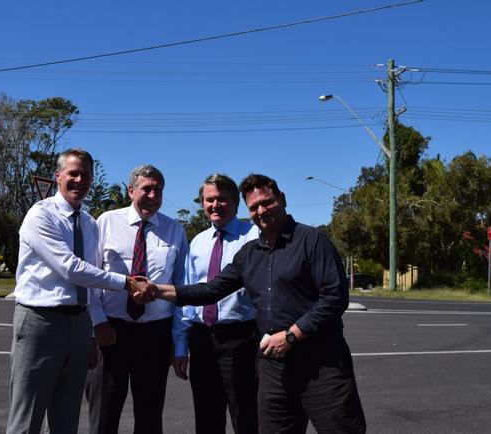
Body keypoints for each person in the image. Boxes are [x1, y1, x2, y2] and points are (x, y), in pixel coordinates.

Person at [147, 173, 366, 434]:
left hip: (321, 363)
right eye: (254, 207)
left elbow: (335, 296)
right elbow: (211, 290)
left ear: (282, 199)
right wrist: (156, 290)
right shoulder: (249, 253)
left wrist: (292, 335)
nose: (261, 211)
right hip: (274, 367)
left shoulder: (312, 241)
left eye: (267, 202)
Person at [7, 148, 147, 434]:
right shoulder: (40, 215)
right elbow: (70, 268)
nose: (79, 180)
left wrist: (93, 327)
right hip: (40, 323)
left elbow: (91, 282)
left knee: (67, 418)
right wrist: (126, 282)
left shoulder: (90, 223)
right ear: (58, 176)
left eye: (86, 175)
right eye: (73, 173)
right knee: (27, 419)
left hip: (79, 324)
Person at [88, 164, 188, 434]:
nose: (153, 195)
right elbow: (91, 278)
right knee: (103, 414)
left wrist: (178, 343)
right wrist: (98, 322)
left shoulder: (175, 230)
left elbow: (182, 289)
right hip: (111, 331)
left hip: (155, 335)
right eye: (147, 189)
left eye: (158, 190)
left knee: (150, 416)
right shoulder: (106, 221)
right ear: (131, 190)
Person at [172, 174, 259, 434]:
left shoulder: (253, 235)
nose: (215, 205)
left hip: (241, 338)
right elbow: (187, 299)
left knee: (246, 415)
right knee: (207, 417)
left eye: (222, 199)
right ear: (202, 203)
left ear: (235, 202)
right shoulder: (197, 242)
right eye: (209, 200)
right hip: (202, 340)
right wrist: (180, 347)